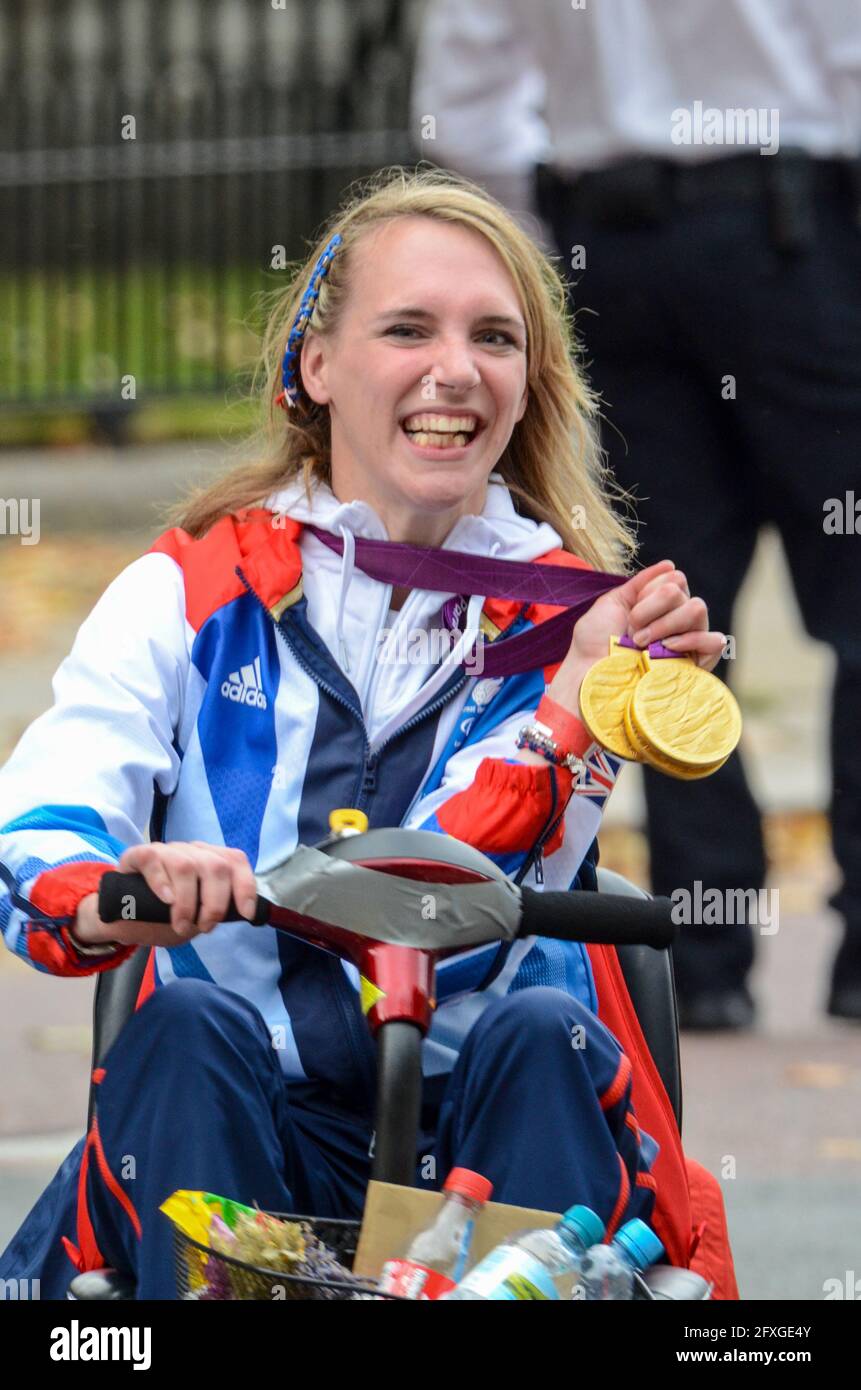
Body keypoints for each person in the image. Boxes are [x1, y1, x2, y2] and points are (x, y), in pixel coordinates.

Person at [0, 167, 733, 1300]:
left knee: (545, 1027)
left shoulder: (582, 627)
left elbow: (451, 892)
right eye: (408, 329)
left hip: (477, 1144)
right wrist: (121, 883)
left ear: (528, 381)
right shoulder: (194, 584)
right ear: (319, 364)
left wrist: (573, 705)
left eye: (494, 336)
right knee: (187, 1023)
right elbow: (43, 822)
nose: (455, 368)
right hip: (237, 1121)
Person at [412, 0, 861, 1028]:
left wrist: (538, 249)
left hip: (609, 248)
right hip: (794, 236)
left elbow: (465, 103)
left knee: (658, 611)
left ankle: (699, 961)